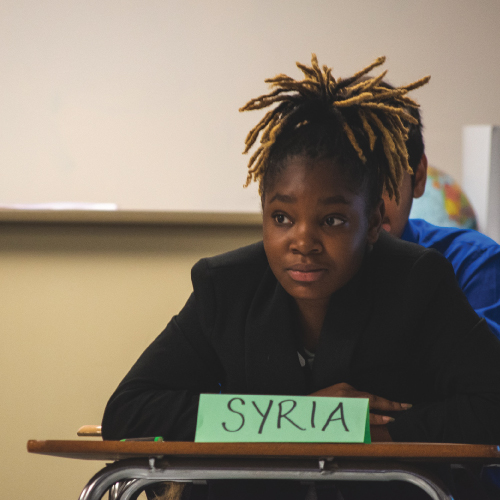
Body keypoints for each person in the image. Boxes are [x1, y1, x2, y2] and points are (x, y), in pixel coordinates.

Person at [102, 55, 500, 499]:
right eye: (282, 217)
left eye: (331, 220)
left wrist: (368, 434)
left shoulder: (416, 281)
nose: (303, 241)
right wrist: (306, 420)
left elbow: (491, 403)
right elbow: (129, 410)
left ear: (371, 223)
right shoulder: (226, 286)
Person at [380, 98, 500, 340]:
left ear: (420, 176)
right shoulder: (307, 266)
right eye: (348, 185)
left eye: (384, 180)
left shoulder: (473, 262)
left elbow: (482, 371)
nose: (367, 204)